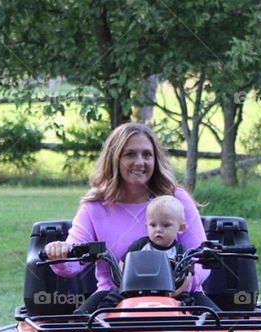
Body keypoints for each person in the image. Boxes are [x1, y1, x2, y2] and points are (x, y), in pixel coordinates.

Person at [43, 123, 216, 313]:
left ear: (156, 159)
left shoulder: (176, 199)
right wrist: (59, 254)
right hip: (115, 302)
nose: (140, 162)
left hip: (180, 299)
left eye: (147, 154)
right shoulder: (94, 206)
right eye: (130, 154)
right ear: (114, 159)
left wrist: (185, 283)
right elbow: (72, 262)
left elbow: (200, 257)